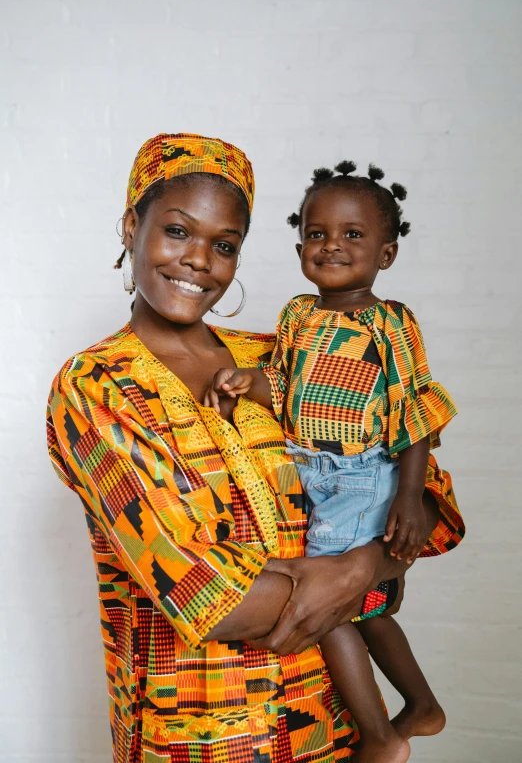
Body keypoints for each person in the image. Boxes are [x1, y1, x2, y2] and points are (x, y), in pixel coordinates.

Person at [46, 135, 465, 763]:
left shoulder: (276, 360)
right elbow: (205, 594)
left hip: (332, 729)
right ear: (133, 225)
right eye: (178, 231)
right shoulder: (99, 387)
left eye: (224, 245)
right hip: (200, 733)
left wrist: (368, 558)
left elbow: (428, 508)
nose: (198, 261)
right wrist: (367, 568)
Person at [206, 161, 461, 762]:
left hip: (362, 476)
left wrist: (406, 494)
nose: (332, 246)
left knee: (330, 607)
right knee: (369, 611)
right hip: (311, 470)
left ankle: (378, 739)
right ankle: (423, 706)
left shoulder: (390, 323)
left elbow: (415, 410)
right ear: (299, 246)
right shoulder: (298, 314)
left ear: (387, 252)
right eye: (317, 234)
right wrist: (248, 382)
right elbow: (288, 388)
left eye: (353, 235)